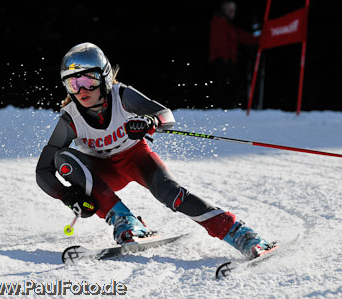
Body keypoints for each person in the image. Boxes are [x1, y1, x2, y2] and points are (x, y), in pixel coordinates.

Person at [36, 42, 274, 258]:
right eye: (73, 83)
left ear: (105, 77)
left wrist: (150, 122)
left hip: (136, 159)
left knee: (171, 194)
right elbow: (43, 170)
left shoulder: (122, 96)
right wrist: (67, 195)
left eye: (89, 80)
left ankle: (241, 234)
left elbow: (165, 115)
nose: (82, 90)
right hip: (101, 173)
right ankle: (126, 222)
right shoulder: (71, 119)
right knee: (63, 158)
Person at [209, 1, 259, 108]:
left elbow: (241, 36)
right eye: (230, 10)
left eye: (234, 11)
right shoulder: (219, 22)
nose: (232, 13)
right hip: (222, 61)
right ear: (224, 10)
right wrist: (225, 59)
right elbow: (219, 42)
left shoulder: (229, 25)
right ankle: (223, 109)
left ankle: (229, 108)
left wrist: (258, 40)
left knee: (233, 88)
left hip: (229, 61)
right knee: (226, 88)